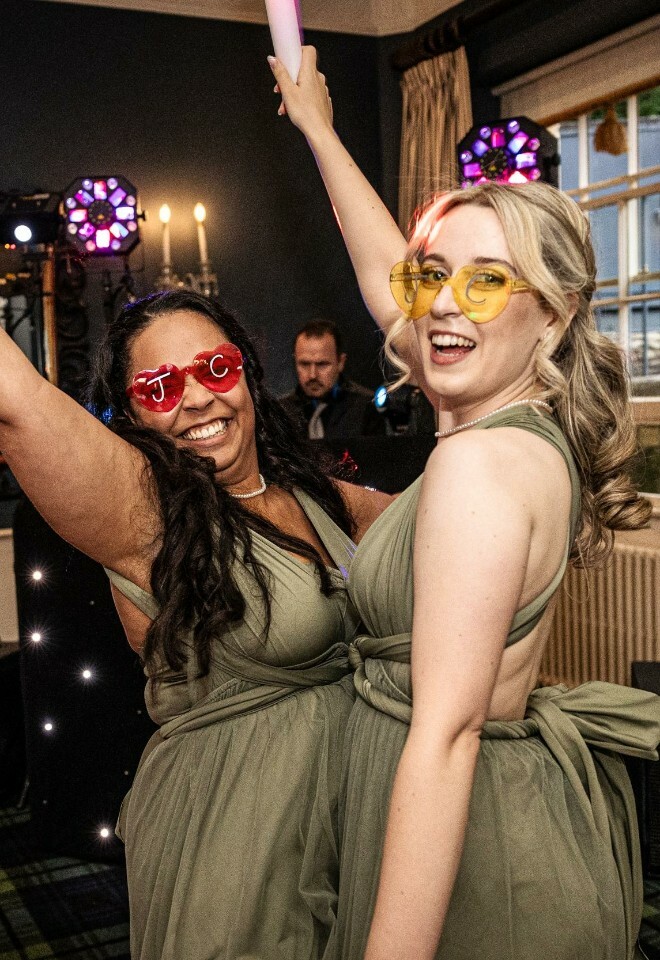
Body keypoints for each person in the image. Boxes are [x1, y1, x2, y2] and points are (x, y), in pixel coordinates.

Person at [270, 48, 660, 960]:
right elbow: (390, 287)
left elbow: (446, 735)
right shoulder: (520, 426)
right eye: (433, 275)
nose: (442, 305)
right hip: (479, 800)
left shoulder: (478, 466)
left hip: (465, 842)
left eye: (486, 281)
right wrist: (320, 129)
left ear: (554, 312)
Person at [0, 288, 391, 960]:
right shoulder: (142, 514)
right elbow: (15, 403)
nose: (199, 398)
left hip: (363, 820)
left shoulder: (316, 496)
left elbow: (450, 513)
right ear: (130, 416)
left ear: (247, 374)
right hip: (243, 842)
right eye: (160, 387)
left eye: (216, 368)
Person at [279, 318, 386, 439]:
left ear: (340, 362)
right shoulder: (281, 412)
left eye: (322, 364)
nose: (312, 375)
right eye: (304, 364)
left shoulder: (366, 408)